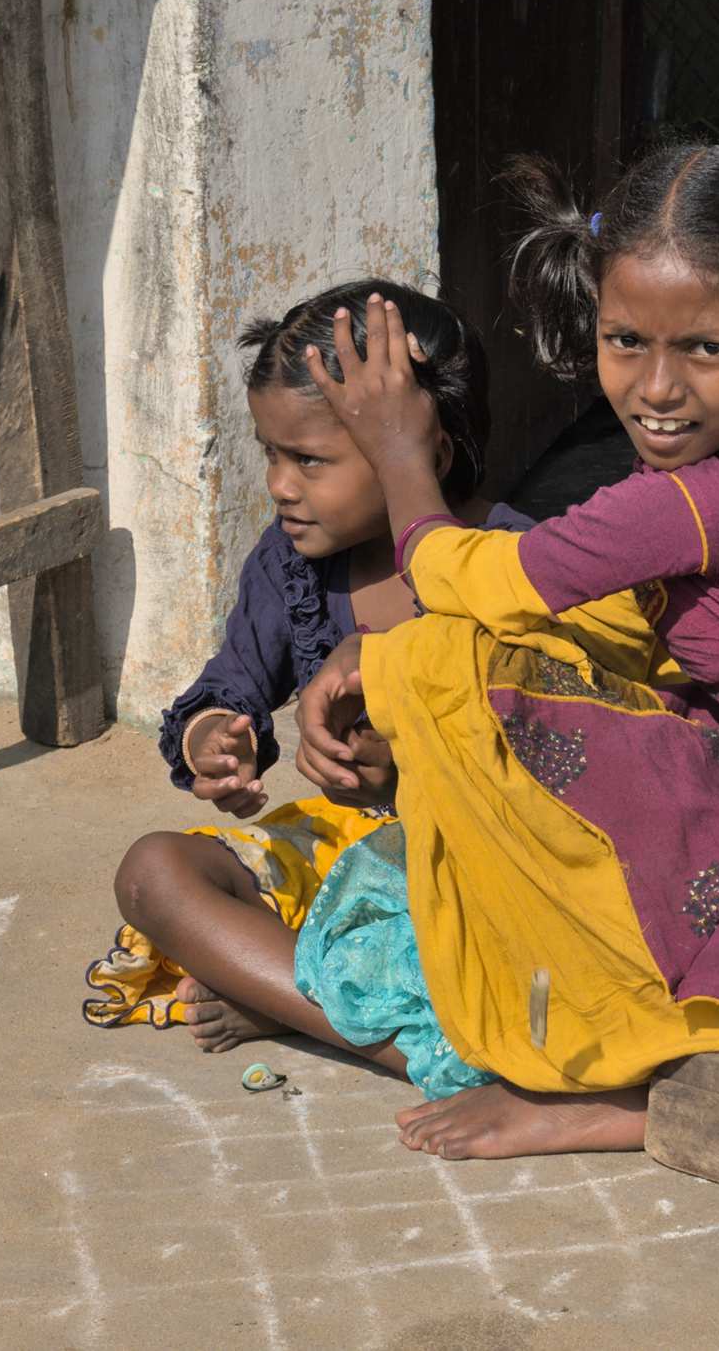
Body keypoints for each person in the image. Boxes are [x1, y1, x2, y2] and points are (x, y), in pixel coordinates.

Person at [292, 143, 719, 1159]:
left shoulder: (705, 496)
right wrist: (370, 653)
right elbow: (616, 605)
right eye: (626, 341)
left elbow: (466, 578)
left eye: (705, 349)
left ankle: (604, 1082)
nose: (657, 389)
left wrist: (399, 449)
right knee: (471, 647)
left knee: (441, 667)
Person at [85, 279, 530, 1100]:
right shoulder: (291, 565)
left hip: (477, 866)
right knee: (154, 871)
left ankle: (303, 1003)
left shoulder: (512, 563)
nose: (281, 485)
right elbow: (232, 683)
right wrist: (213, 738)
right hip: (350, 853)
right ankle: (347, 1012)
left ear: (424, 455)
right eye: (271, 454)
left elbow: (552, 759)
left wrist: (407, 753)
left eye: (311, 460)